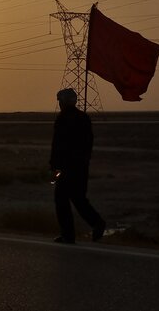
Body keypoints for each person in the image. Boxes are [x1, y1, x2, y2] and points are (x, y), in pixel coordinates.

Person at [50, 88, 105, 244]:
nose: (59, 104)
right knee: (78, 198)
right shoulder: (83, 118)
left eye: (59, 100)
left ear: (64, 102)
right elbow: (89, 143)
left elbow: (58, 145)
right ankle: (96, 222)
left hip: (65, 168)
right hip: (81, 166)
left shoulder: (63, 118)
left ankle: (68, 234)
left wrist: (54, 167)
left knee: (61, 199)